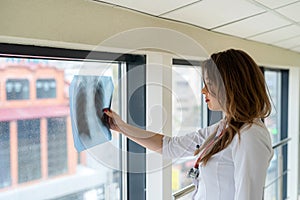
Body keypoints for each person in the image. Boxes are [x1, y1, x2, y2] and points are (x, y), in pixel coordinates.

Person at [103, 49, 274, 200]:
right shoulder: (225, 128)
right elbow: (170, 146)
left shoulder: (250, 135)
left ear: (230, 86)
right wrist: (121, 127)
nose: (203, 90)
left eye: (209, 84)